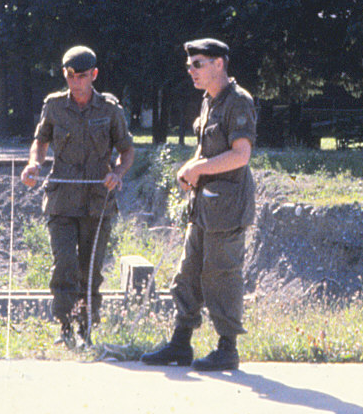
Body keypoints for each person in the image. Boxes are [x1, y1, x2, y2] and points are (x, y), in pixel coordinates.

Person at [141, 37, 257, 372]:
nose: (190, 70)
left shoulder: (239, 102)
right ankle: (180, 343)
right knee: (188, 273)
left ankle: (227, 348)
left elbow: (241, 154)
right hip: (204, 204)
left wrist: (198, 168)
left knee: (222, 275)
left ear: (219, 63)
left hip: (228, 206)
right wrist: (189, 168)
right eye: (189, 64)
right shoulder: (209, 101)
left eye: (198, 64)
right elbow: (208, 150)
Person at [21, 46, 135, 347]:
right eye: (70, 76)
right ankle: (64, 328)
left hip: (98, 200)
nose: (76, 83)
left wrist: (118, 173)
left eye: (82, 76)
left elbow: (127, 151)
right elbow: (40, 142)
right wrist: (34, 163)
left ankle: (86, 329)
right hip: (62, 199)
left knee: (90, 268)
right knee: (64, 265)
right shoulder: (54, 106)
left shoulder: (110, 109)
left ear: (94, 75)